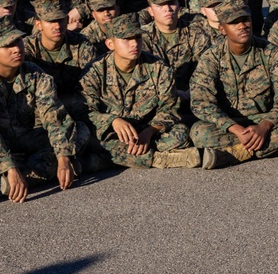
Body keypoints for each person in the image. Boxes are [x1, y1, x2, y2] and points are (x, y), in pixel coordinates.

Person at [0, 16, 88, 203]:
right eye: (7, 46)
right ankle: (20, 174)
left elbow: (54, 116)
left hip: (27, 140)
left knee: (80, 132)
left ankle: (21, 178)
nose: (16, 49)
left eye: (18, 41)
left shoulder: (35, 73)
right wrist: (9, 167)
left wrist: (63, 156)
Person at [189, 0, 278, 168]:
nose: (242, 26)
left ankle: (234, 155)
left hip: (264, 119)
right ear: (222, 29)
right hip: (230, 123)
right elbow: (201, 102)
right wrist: (233, 127)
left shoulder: (271, 52)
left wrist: (265, 126)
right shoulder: (211, 58)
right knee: (198, 132)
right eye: (234, 22)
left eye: (245, 20)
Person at [81, 14, 198, 170]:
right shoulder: (94, 71)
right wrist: (112, 121)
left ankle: (119, 159)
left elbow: (170, 108)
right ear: (110, 44)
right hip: (113, 134)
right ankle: (159, 159)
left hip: (147, 129)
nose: (134, 44)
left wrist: (149, 132)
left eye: (137, 37)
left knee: (181, 133)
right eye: (126, 39)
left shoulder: (158, 67)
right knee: (88, 138)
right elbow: (85, 111)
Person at [139, 0, 210, 101]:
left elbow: (206, 71)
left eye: (171, 3)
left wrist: (190, 94)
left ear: (178, 6)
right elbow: (141, 76)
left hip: (193, 98)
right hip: (155, 100)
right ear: (150, 11)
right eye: (160, 5)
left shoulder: (196, 34)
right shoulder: (142, 37)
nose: (168, 9)